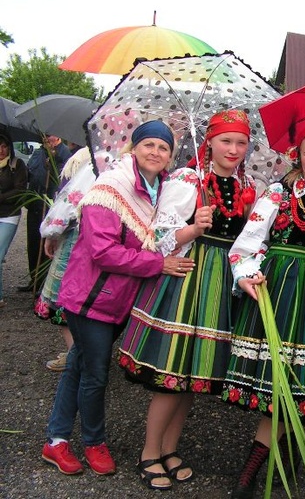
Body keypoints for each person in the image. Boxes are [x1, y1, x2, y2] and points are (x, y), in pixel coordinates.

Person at [40, 120, 193, 477]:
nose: (155, 153)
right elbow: (103, 252)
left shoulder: (157, 189)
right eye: (149, 145)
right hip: (91, 297)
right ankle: (94, 442)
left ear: (171, 156)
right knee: (94, 373)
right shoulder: (111, 187)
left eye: (163, 148)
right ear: (134, 148)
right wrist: (159, 263)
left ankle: (57, 440)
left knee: (78, 365)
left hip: (118, 299)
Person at [118, 110, 257, 490]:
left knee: (193, 375)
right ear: (209, 142)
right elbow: (157, 237)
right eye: (226, 141)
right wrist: (193, 228)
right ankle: (149, 451)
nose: (233, 149)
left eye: (240, 142)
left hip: (218, 286)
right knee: (170, 375)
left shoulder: (248, 186)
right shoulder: (187, 180)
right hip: (186, 278)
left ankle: (169, 447)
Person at [224, 125, 305, 498]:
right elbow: (248, 242)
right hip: (276, 290)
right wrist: (247, 274)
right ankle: (262, 466)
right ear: (297, 156)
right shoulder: (277, 193)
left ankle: (255, 469)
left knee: (295, 383)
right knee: (281, 382)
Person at [34, 147, 99, 372]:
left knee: (64, 301)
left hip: (77, 239)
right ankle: (82, 356)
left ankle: (77, 357)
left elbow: (69, 202)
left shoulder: (89, 158)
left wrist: (52, 233)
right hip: (99, 242)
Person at [21, 134, 71, 294]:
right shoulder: (37, 152)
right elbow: (31, 172)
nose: (48, 138)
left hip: (51, 206)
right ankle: (34, 279)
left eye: (50, 135)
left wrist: (54, 159)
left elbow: (65, 176)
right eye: (46, 136)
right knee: (33, 243)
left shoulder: (64, 152)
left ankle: (44, 284)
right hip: (35, 204)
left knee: (48, 245)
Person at [0, 131, 28, 306]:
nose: (1, 150)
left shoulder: (17, 165)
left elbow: (20, 191)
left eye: (4, 146)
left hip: (9, 215)